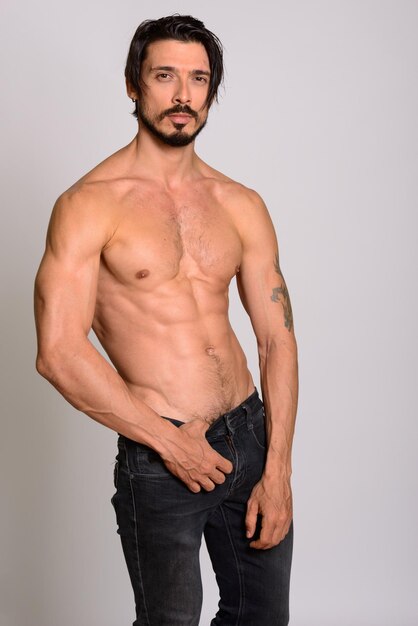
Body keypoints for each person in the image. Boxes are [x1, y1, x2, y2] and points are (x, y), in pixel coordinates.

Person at [34, 14, 298, 626]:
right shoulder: (87, 206)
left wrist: (279, 468)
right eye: (164, 76)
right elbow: (58, 351)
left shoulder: (241, 203)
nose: (183, 95)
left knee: (263, 618)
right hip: (159, 453)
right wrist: (167, 441)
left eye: (198, 79)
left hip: (251, 438)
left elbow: (276, 342)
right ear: (133, 85)